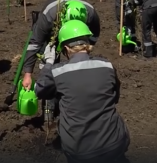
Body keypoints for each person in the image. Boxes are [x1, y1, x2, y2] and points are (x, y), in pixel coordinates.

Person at [35, 20, 130, 163]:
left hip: (80, 151)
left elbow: (39, 90)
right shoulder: (107, 66)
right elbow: (115, 98)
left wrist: (48, 64)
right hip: (115, 143)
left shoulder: (57, 72)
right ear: (87, 44)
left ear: (66, 49)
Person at [21, 0, 101, 122]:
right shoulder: (48, 16)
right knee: (49, 61)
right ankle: (49, 107)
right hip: (52, 31)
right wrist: (28, 73)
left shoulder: (90, 15)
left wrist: (79, 56)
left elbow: (93, 37)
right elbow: (35, 43)